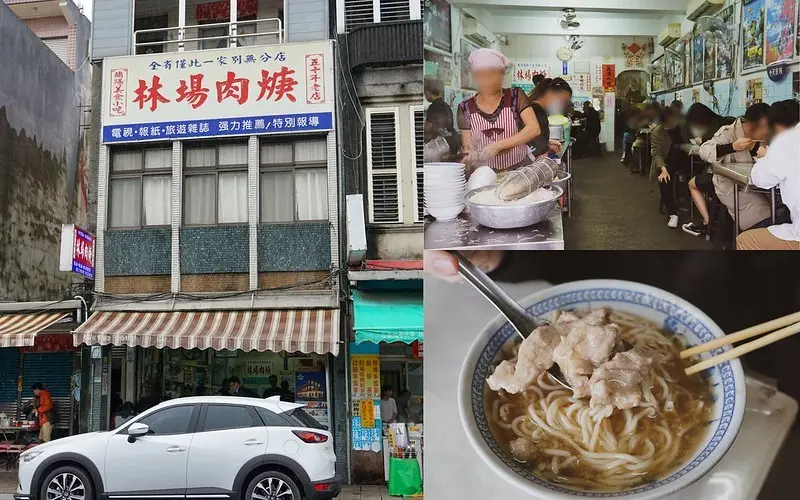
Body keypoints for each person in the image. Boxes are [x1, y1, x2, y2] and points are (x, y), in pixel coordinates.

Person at [457, 48, 543, 171]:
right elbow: (467, 145)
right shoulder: (464, 108)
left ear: (502, 73)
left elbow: (534, 129)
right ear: (474, 76)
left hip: (519, 168)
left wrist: (498, 146)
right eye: (480, 75)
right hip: (484, 172)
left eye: (492, 74)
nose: (486, 80)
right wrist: (470, 154)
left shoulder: (515, 96)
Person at [695, 103, 772, 233]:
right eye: (764, 126)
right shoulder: (729, 132)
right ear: (751, 124)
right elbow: (704, 151)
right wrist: (732, 147)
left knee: (782, 207)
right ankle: (751, 240)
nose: (767, 131)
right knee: (763, 212)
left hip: (760, 185)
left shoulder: (766, 137)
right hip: (730, 185)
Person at [737, 102, 800, 251]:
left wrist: (765, 156)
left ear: (776, 126)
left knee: (744, 241)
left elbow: (760, 179)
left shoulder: (786, 139)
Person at [681, 104, 736, 237]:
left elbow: (710, 153)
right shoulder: (728, 121)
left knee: (692, 184)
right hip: (734, 174)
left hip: (723, 177)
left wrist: (702, 142)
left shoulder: (715, 130)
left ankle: (707, 222)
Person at [650, 107, 690, 228]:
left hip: (686, 159)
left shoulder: (682, 126)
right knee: (664, 180)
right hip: (668, 162)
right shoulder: (658, 132)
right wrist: (663, 169)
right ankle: (673, 214)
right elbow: (656, 153)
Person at [527, 77, 573, 157]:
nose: (562, 106)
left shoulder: (539, 110)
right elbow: (527, 138)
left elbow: (534, 138)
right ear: (550, 94)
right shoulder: (535, 111)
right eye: (562, 100)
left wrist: (547, 142)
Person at [424, 78, 459, 158]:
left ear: (427, 92)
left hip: (441, 144)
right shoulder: (446, 106)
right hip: (453, 141)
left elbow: (428, 128)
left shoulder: (433, 107)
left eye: (425, 94)